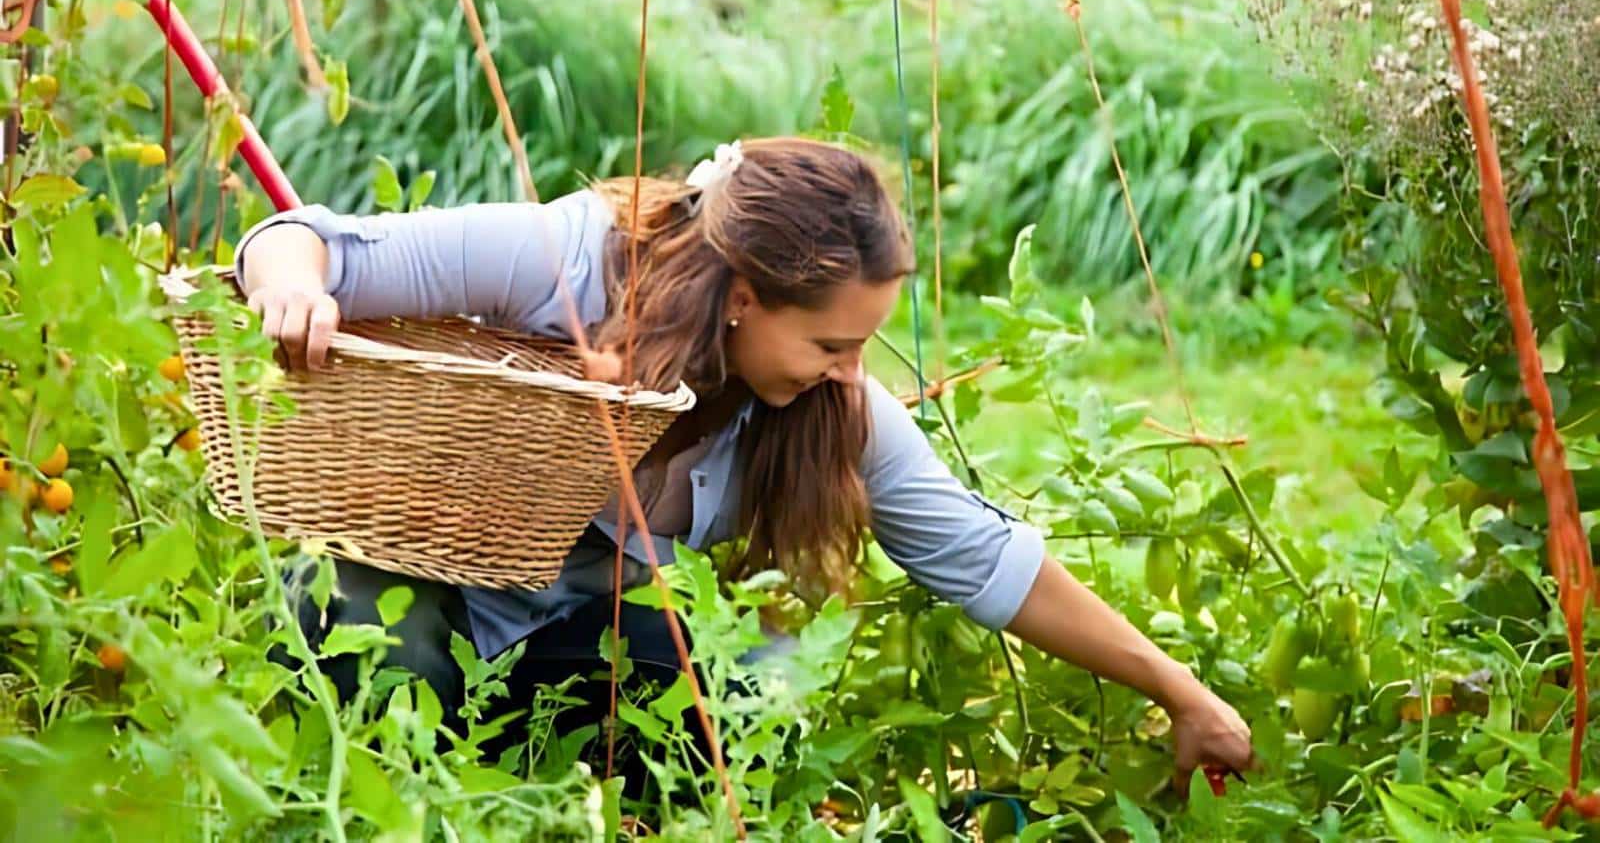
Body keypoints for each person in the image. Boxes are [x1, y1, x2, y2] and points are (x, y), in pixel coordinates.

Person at [237, 136, 1253, 785]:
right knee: (356, 621)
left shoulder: (825, 408)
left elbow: (988, 562)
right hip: (437, 593)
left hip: (557, 656)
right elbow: (307, 242)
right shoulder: (577, 261)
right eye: (830, 346)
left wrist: (1181, 693)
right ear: (743, 297)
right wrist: (294, 292)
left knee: (743, 688)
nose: (852, 375)